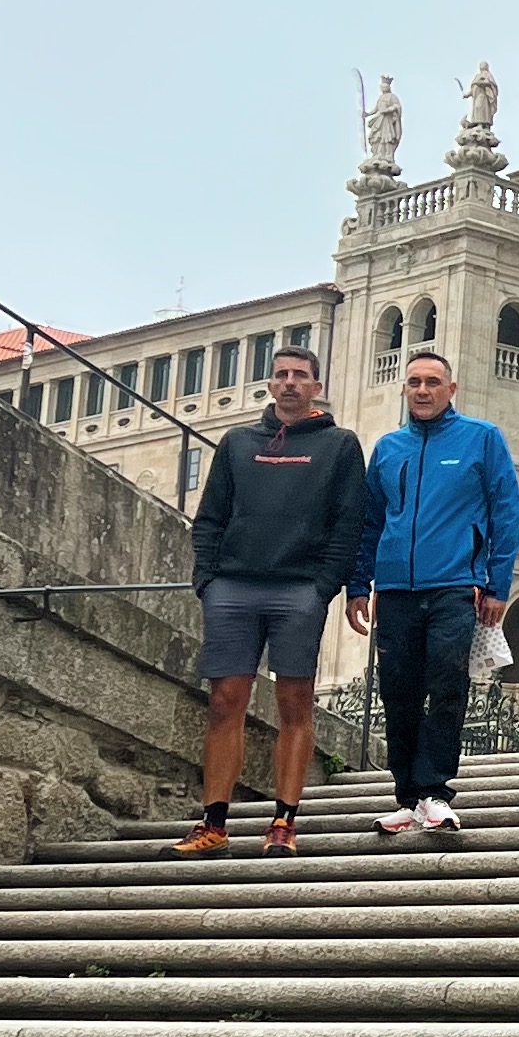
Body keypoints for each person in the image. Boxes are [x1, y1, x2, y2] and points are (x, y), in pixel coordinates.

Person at [175, 340, 368, 859]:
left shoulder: (340, 446)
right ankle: (213, 821)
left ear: (316, 386)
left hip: (299, 590)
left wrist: (325, 586)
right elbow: (210, 516)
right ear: (270, 384)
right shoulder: (237, 442)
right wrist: (207, 580)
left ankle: (284, 820)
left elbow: (350, 523)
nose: (290, 382)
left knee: (295, 703)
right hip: (233, 588)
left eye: (300, 375)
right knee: (224, 703)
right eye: (281, 374)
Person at [344, 348, 519, 843]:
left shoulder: (482, 440)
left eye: (432, 382)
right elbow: (370, 521)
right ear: (405, 389)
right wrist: (359, 584)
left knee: (445, 684)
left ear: (451, 390)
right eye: (414, 382)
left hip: (454, 586)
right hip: (396, 588)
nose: (422, 390)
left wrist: (497, 584)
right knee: (397, 691)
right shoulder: (388, 448)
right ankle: (407, 798)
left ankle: (436, 791)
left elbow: (506, 512)